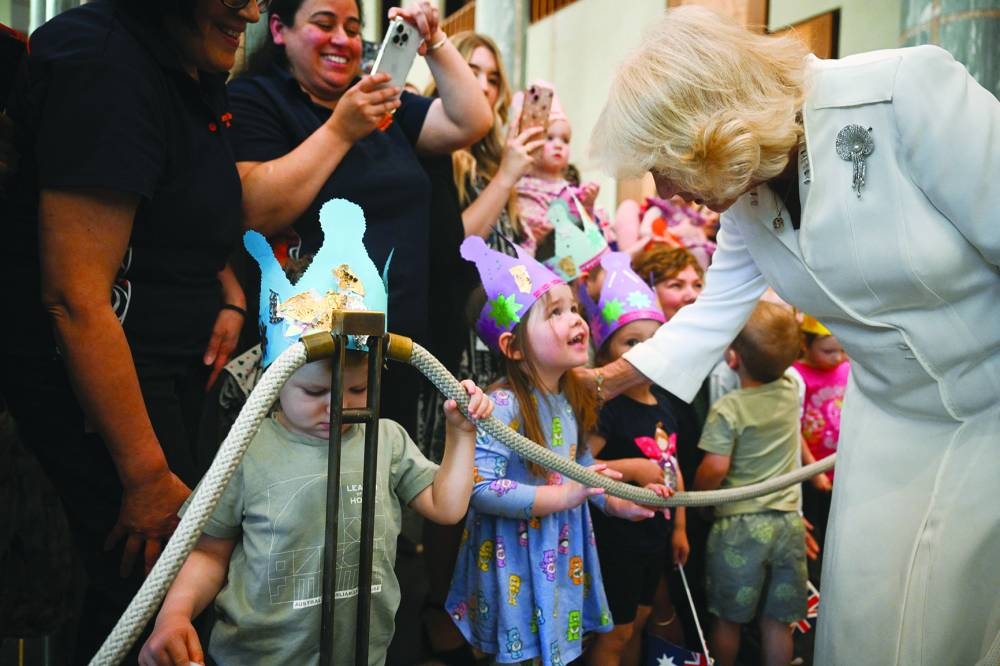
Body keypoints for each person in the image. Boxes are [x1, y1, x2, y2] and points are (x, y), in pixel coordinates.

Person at [589, 6, 1000, 663]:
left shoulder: (904, 92)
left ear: (707, 127)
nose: (662, 189)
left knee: (964, 618)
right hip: (890, 420)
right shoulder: (747, 195)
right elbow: (710, 313)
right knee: (866, 622)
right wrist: (596, 381)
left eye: (662, 164)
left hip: (992, 412)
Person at [0, 0, 261, 660]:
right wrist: (144, 476)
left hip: (166, 377)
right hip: (110, 397)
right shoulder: (107, 64)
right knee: (150, 614)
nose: (253, 10)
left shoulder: (185, 61)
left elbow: (180, 209)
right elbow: (74, 296)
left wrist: (226, 293)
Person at [137, 200, 493, 666]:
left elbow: (446, 508)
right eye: (315, 391)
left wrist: (461, 434)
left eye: (359, 388)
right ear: (274, 377)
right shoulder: (246, 449)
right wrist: (175, 616)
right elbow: (208, 551)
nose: (341, 406)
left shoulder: (386, 441)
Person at [228, 0, 492, 437]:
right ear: (279, 29)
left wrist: (435, 41)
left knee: (387, 485)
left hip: (398, 345)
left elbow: (470, 121)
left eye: (352, 29)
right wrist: (340, 129)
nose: (342, 40)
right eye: (324, 24)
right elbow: (256, 208)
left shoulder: (377, 100)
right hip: (311, 361)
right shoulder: (257, 97)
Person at [446, 237, 668, 666]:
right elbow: (479, 488)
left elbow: (579, 467)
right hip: (515, 558)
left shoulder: (567, 400)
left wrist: (615, 502)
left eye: (574, 309)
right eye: (555, 312)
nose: (575, 320)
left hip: (560, 553)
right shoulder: (502, 405)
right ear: (512, 346)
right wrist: (561, 497)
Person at [583, 252, 689, 666]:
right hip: (617, 539)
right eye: (631, 343)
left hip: (655, 537)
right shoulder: (605, 409)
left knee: (641, 622)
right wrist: (634, 469)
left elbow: (672, 464)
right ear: (607, 348)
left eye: (652, 342)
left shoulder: (663, 404)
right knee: (616, 631)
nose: (644, 354)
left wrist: (679, 526)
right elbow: (577, 464)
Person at [691, 301, 806, 666]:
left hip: (740, 526)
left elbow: (714, 469)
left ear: (732, 357)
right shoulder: (790, 390)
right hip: (788, 523)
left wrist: (699, 499)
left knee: (729, 619)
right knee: (777, 621)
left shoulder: (730, 408)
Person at [512, 81, 603, 258]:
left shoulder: (570, 190)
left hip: (565, 266)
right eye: (550, 138)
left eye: (565, 140)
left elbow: (590, 240)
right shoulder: (521, 186)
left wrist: (587, 205)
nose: (558, 146)